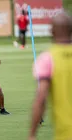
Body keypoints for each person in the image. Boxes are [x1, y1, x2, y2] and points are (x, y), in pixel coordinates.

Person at [28, 11, 72, 140]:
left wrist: (32, 134)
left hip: (65, 134)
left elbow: (41, 98)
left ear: (51, 31)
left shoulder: (47, 59)